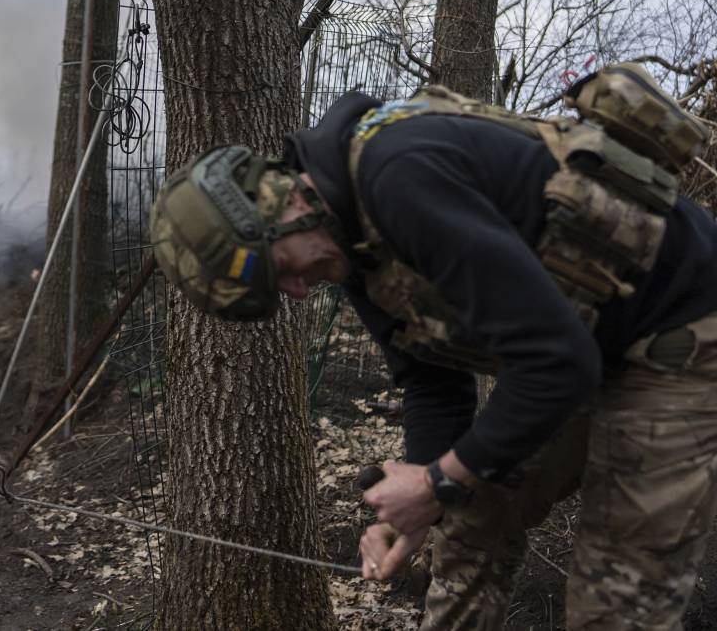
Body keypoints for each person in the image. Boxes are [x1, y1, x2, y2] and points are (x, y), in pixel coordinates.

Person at [149, 82, 717, 631]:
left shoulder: (400, 176)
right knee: (471, 519)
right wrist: (424, 501)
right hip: (581, 341)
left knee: (615, 599)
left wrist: (434, 485)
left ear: (284, 203)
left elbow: (558, 363)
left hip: (680, 331)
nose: (297, 291)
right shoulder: (350, 240)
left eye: (282, 271)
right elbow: (432, 380)